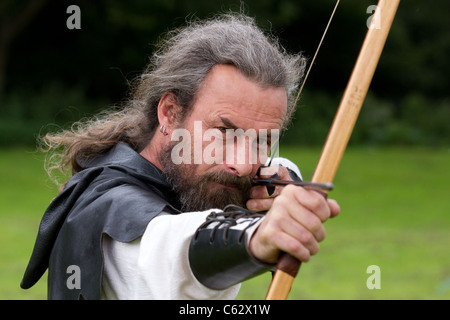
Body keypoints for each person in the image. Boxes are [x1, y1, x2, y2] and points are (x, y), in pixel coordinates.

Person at [21, 13, 340, 300]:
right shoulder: (113, 214)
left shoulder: (185, 173)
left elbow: (278, 168)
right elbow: (171, 249)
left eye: (261, 140)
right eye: (225, 132)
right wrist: (256, 239)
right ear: (170, 113)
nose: (242, 165)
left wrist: (283, 183)